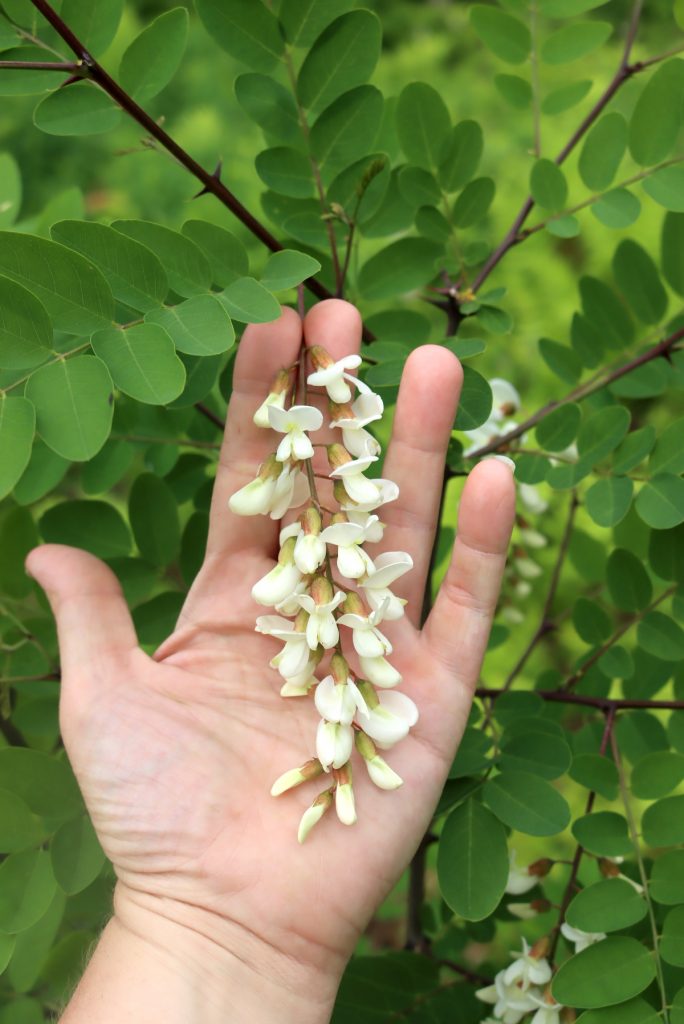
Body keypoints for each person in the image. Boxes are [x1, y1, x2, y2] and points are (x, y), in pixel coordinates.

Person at [26, 299, 516, 1023]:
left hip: (331, 593)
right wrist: (195, 925)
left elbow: (327, 566)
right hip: (325, 600)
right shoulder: (313, 553)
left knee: (335, 600)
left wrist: (190, 930)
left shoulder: (328, 538)